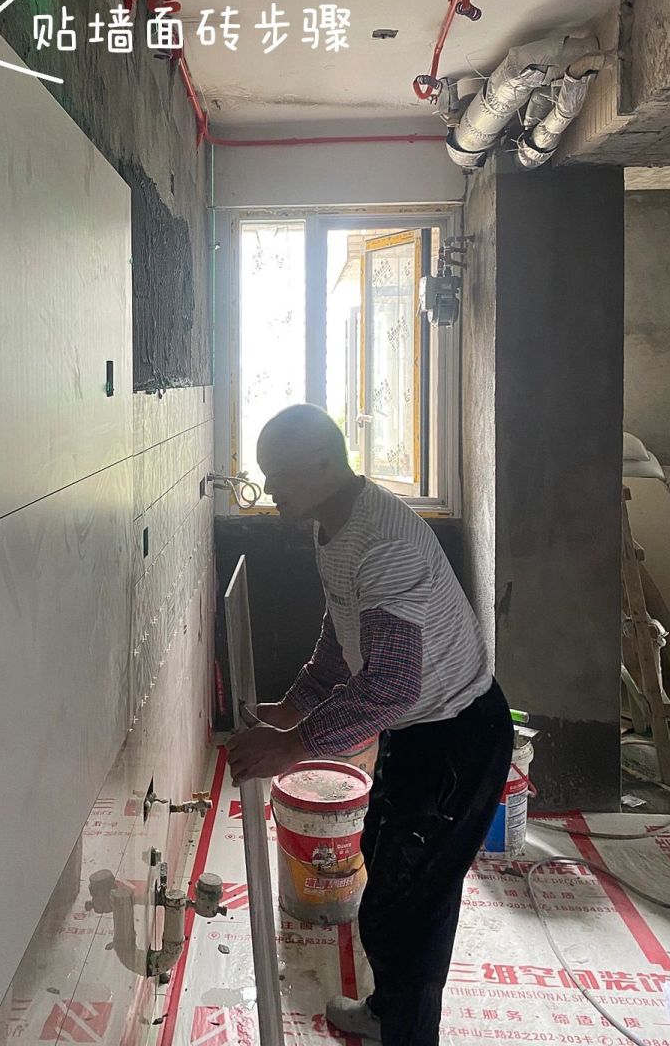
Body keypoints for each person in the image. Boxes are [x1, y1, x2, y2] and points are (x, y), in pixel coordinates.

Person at [227, 404, 513, 1046]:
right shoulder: (335, 526)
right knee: (395, 883)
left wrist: (292, 747)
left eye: (279, 475)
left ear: (324, 464)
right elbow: (343, 634)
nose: (269, 489)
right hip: (421, 732)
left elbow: (390, 685)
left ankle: (405, 1031)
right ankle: (392, 1015)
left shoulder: (381, 543)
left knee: (405, 907)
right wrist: (292, 708)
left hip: (455, 738)